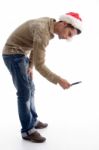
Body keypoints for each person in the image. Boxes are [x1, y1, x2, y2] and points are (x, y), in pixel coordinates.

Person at [2, 12, 82, 143]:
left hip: (21, 54)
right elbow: (41, 65)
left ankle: (33, 121)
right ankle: (27, 131)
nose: (66, 38)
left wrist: (30, 65)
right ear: (64, 23)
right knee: (24, 93)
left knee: (31, 89)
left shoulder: (48, 24)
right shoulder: (43, 31)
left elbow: (35, 45)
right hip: (13, 54)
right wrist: (59, 80)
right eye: (69, 34)